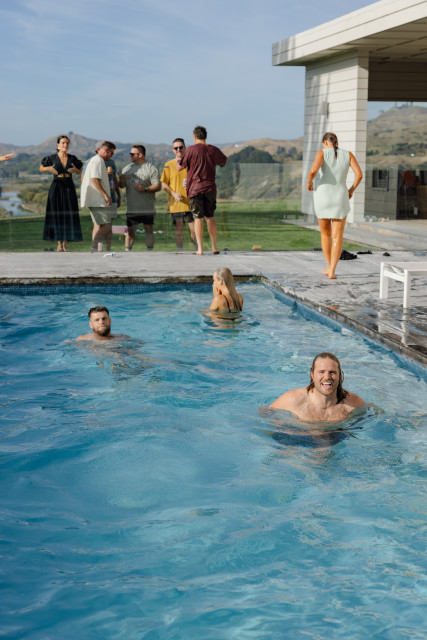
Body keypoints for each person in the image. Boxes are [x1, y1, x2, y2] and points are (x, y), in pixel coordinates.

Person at [307, 132, 363, 279]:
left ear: (325, 142)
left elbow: (313, 171)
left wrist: (309, 181)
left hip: (323, 197)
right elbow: (359, 175)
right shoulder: (348, 154)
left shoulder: (322, 153)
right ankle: (332, 271)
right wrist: (351, 190)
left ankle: (328, 266)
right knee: (337, 237)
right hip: (340, 197)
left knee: (325, 234)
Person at [269, 352, 365, 422]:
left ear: (339, 375)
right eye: (321, 372)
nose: (327, 377)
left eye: (332, 372)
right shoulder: (293, 399)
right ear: (312, 375)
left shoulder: (353, 403)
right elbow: (265, 414)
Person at [176, 125, 227, 255]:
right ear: (205, 136)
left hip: (195, 188)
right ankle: (214, 247)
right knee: (210, 217)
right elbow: (223, 161)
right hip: (210, 187)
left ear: (194, 137)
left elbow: (179, 168)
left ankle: (200, 249)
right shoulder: (213, 149)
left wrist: (179, 156)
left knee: (198, 218)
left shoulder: (191, 150)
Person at [39, 135, 83, 252]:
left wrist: (75, 170)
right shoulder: (51, 158)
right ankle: (59, 244)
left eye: (67, 143)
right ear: (58, 145)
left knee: (68, 214)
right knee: (57, 214)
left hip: (69, 186)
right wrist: (49, 169)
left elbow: (80, 171)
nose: (65, 145)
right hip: (56, 187)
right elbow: (41, 168)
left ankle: (65, 245)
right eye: (63, 143)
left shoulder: (72, 158)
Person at [118, 144, 161, 251]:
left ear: (140, 155)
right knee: (130, 231)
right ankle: (127, 252)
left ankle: (150, 252)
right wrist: (121, 181)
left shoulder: (151, 168)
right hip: (132, 208)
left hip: (147, 207)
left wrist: (144, 188)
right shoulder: (127, 168)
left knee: (148, 230)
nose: (130, 156)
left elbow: (158, 186)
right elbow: (121, 186)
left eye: (132, 154)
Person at [161, 138, 197, 251]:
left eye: (180, 147)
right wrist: (173, 193)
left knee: (194, 231)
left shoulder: (191, 164)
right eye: (176, 148)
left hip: (191, 203)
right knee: (178, 232)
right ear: (173, 150)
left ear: (185, 148)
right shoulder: (168, 165)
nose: (178, 150)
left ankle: (198, 250)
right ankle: (180, 253)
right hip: (176, 205)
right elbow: (163, 184)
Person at [80, 141, 115, 253]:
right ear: (106, 150)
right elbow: (94, 179)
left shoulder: (95, 160)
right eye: (111, 153)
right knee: (107, 225)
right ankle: (93, 247)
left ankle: (94, 248)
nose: (111, 156)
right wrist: (105, 195)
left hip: (96, 199)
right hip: (98, 200)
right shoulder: (98, 161)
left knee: (101, 225)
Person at [105, 155, 121, 251]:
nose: (110, 153)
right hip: (101, 198)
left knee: (109, 225)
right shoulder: (96, 161)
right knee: (100, 225)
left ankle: (108, 248)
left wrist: (119, 195)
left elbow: (114, 179)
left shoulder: (111, 162)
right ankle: (96, 248)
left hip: (112, 196)